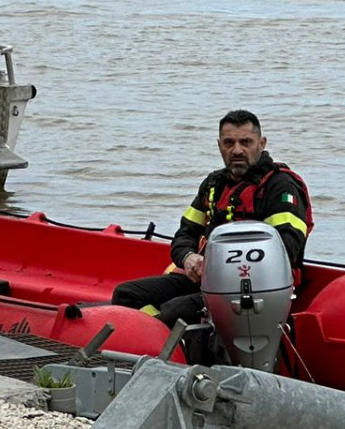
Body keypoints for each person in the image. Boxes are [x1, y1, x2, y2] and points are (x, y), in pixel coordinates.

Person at [110, 109, 313, 326]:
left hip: (255, 290)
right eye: (229, 143)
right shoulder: (213, 184)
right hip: (206, 281)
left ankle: (157, 338)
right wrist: (188, 257)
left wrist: (218, 267)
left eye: (246, 142)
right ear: (219, 146)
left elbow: (286, 249)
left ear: (261, 143)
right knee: (126, 294)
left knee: (175, 310)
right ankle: (144, 337)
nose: (237, 150)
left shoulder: (281, 187)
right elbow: (184, 234)